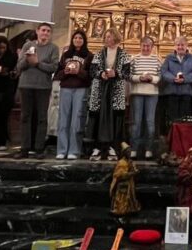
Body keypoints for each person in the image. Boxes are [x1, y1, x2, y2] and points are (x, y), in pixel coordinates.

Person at [86, 28, 132, 161]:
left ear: (116, 38)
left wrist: (116, 74)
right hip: (100, 89)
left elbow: (127, 73)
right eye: (106, 37)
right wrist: (101, 74)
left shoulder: (123, 54)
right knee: (98, 116)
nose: (107, 39)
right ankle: (97, 147)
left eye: (109, 37)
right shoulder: (99, 53)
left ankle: (113, 148)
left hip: (116, 91)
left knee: (115, 118)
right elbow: (92, 70)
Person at [16, 23, 59, 158]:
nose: (45, 33)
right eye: (43, 30)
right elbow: (19, 66)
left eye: (48, 31)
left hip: (43, 86)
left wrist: (37, 63)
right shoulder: (28, 46)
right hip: (26, 85)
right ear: (37, 32)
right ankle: (25, 148)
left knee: (42, 117)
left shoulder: (53, 48)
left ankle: (39, 148)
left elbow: (53, 67)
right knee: (25, 117)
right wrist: (28, 60)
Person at [55, 29, 91, 160]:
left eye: (80, 38)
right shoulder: (65, 55)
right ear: (72, 39)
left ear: (84, 40)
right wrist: (65, 71)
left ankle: (74, 150)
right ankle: (62, 149)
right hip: (66, 88)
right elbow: (57, 74)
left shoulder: (88, 55)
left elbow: (90, 77)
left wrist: (79, 72)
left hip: (80, 89)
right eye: (75, 38)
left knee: (77, 120)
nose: (78, 40)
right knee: (63, 120)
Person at [129, 35, 161, 159]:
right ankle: (134, 149)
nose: (146, 48)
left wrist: (152, 78)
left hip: (152, 93)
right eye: (144, 46)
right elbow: (129, 76)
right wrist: (139, 78)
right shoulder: (134, 59)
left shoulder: (157, 60)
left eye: (148, 46)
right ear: (140, 46)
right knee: (136, 122)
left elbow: (160, 77)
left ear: (152, 47)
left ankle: (149, 149)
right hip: (137, 92)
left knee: (150, 122)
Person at [161, 35, 192, 125]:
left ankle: (183, 138)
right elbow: (164, 71)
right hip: (172, 92)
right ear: (175, 46)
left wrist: (184, 79)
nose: (180, 47)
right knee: (172, 120)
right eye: (178, 45)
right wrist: (173, 79)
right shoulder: (169, 58)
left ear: (186, 46)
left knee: (184, 119)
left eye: (182, 45)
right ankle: (172, 138)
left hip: (186, 92)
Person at [109, 143, 141, 215]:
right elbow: (120, 175)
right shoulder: (121, 163)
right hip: (122, 184)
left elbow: (134, 169)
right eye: (128, 152)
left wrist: (134, 170)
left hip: (130, 184)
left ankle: (131, 208)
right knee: (122, 200)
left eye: (130, 152)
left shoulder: (130, 161)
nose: (129, 153)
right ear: (124, 153)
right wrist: (133, 173)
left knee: (131, 198)